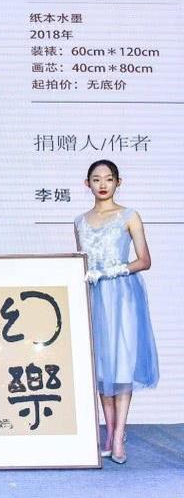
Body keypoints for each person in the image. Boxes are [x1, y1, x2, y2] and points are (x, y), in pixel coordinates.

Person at [74, 159, 159, 464]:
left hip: (122, 295)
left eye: (108, 179)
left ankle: (119, 434)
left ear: (118, 182)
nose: (102, 184)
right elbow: (81, 262)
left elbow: (144, 260)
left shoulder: (129, 215)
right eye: (96, 179)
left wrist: (112, 271)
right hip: (94, 297)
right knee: (101, 365)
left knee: (121, 363)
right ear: (87, 183)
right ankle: (109, 433)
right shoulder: (80, 221)